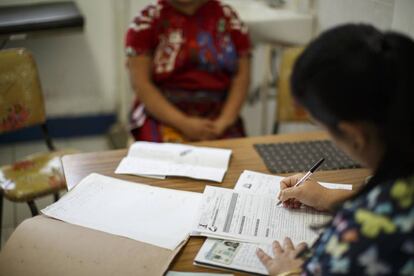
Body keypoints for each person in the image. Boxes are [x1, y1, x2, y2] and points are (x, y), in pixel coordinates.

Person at [256, 24, 414, 275]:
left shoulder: (366, 235)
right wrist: (327, 197)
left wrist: (287, 272)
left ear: (354, 135)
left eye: (324, 128)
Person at [125, 0, 251, 142]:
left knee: (235, 159)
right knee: (163, 160)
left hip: (218, 117)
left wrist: (223, 122)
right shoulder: (146, 21)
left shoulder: (229, 18)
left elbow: (241, 77)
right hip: (162, 115)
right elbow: (141, 84)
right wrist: (183, 123)